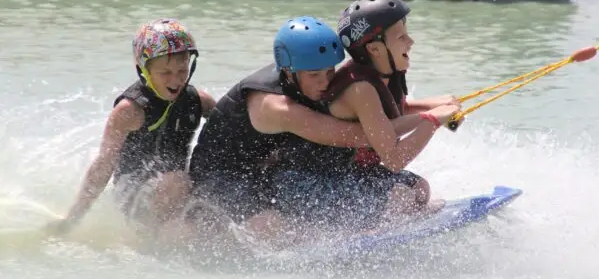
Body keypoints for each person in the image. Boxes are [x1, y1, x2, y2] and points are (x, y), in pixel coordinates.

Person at [187, 16, 422, 240]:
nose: (325, 82)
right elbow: (358, 136)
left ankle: (351, 227)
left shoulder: (303, 76)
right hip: (221, 176)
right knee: (271, 226)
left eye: (330, 72)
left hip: (268, 168)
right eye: (315, 75)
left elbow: (381, 116)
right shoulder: (275, 107)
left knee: (415, 188)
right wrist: (430, 119)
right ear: (289, 72)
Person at [270, 0, 462, 231]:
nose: (410, 42)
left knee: (420, 188)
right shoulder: (359, 89)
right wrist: (432, 120)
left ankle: (385, 223)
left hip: (345, 175)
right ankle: (361, 236)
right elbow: (393, 159)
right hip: (305, 182)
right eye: (401, 37)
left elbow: (390, 113)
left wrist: (435, 105)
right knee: (400, 197)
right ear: (375, 48)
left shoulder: (384, 73)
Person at [46, 18, 216, 235]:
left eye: (182, 70)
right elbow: (103, 164)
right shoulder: (129, 111)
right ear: (144, 70)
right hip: (133, 195)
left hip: (175, 190)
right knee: (178, 181)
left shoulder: (199, 100)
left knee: (200, 194)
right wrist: (72, 219)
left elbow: (233, 130)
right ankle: (151, 241)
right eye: (165, 73)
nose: (176, 80)